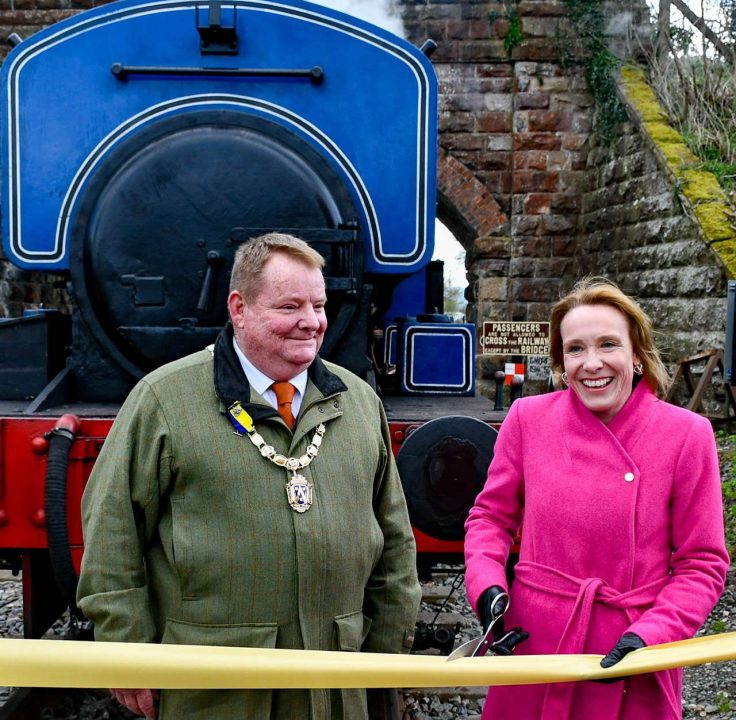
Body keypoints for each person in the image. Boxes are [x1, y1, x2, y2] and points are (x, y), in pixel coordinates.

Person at [77, 233, 421, 720]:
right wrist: (126, 650)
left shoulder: (360, 402)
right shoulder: (163, 400)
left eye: (319, 305)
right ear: (239, 309)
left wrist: (387, 655)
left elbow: (394, 540)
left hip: (337, 682)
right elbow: (113, 532)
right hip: (215, 687)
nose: (311, 322)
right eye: (290, 306)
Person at [464, 277, 729, 719]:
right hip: (537, 644)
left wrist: (650, 637)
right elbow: (490, 517)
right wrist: (488, 586)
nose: (592, 364)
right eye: (575, 349)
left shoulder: (685, 434)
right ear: (560, 362)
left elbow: (702, 563)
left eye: (608, 344)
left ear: (637, 354)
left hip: (631, 652)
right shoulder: (528, 419)